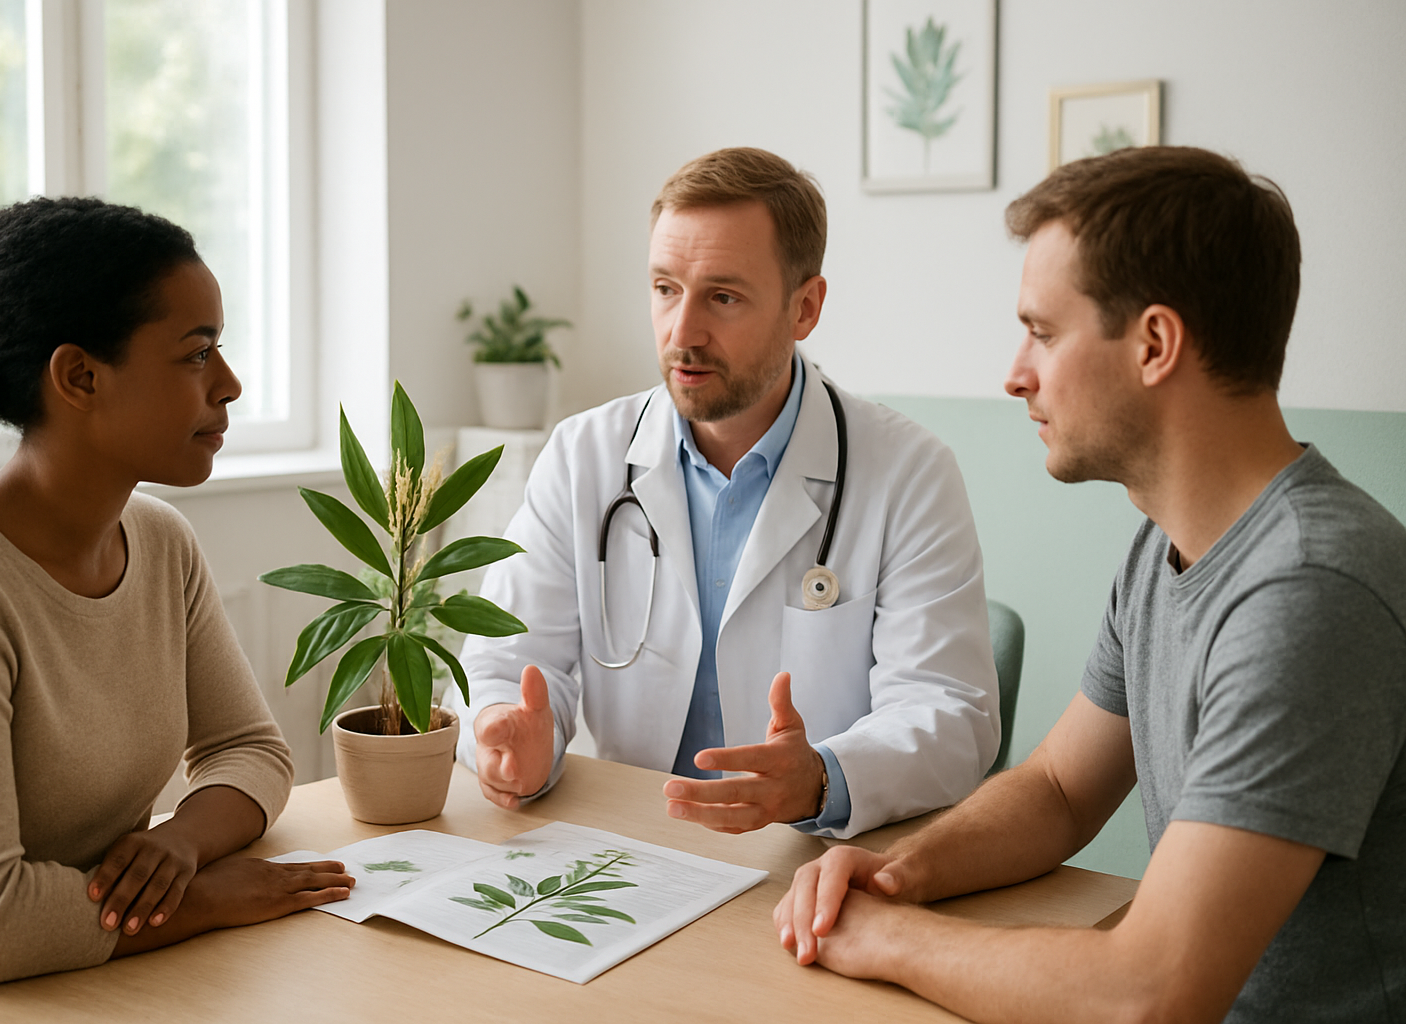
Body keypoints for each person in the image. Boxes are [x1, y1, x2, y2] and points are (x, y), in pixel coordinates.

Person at [775, 146, 1406, 1022]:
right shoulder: (1166, 546)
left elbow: (1152, 992)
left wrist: (883, 937)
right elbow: (1060, 792)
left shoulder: (1309, 591)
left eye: (1042, 330)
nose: (1014, 373)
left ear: (1154, 344)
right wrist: (897, 872)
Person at [0, 197, 353, 990]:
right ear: (80, 376)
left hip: (87, 968)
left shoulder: (160, 541)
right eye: (196, 355)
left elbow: (253, 751)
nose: (229, 385)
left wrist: (183, 842)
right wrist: (200, 900)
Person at [448, 147, 1000, 839]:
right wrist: (508, 735)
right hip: (633, 848)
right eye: (664, 288)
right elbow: (503, 662)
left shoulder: (909, 473)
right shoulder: (583, 455)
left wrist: (824, 776)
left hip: (808, 861)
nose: (683, 333)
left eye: (723, 297)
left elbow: (950, 712)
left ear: (805, 307)